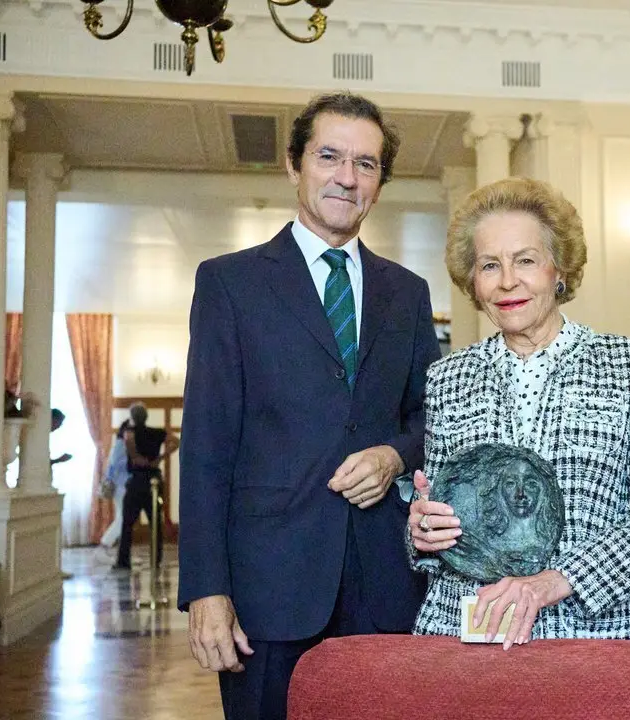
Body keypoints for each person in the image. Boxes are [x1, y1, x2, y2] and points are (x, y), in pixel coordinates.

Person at [178, 92, 441, 719]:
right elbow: (207, 448)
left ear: (379, 183)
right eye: (329, 156)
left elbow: (433, 418)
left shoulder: (407, 293)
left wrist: (394, 456)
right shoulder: (229, 284)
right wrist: (206, 590)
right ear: (294, 165)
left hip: (384, 588)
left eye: (367, 164)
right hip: (267, 594)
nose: (347, 177)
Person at [409, 177, 630, 650]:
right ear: (473, 282)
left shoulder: (629, 365)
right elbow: (439, 523)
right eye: (489, 265)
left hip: (588, 636)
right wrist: (423, 531)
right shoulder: (447, 378)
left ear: (559, 270)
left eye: (526, 260)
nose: (508, 281)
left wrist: (557, 581)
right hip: (465, 633)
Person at [115, 402, 178, 570]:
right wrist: (161, 458)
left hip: (136, 480)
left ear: (133, 417)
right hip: (153, 481)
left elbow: (126, 438)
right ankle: (156, 560)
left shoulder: (130, 431)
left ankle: (123, 561)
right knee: (155, 522)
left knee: (127, 523)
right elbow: (176, 442)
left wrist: (135, 456)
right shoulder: (156, 432)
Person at [99, 418, 133, 548]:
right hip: (121, 486)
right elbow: (117, 465)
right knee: (123, 519)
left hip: (121, 486)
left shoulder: (121, 444)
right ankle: (105, 544)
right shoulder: (121, 445)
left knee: (122, 518)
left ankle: (107, 545)